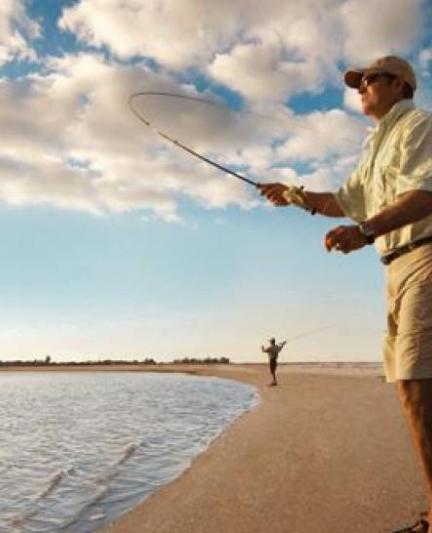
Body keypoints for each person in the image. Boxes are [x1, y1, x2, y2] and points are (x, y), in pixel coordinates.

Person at [259, 55, 432, 533]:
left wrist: (365, 231)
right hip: (395, 269)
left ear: (401, 84)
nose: (360, 88)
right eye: (358, 83)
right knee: (412, 381)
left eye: (369, 79)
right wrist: (292, 195)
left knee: (417, 381)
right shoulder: (375, 145)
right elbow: (343, 201)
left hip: (425, 258)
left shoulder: (418, 124)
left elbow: (426, 194)